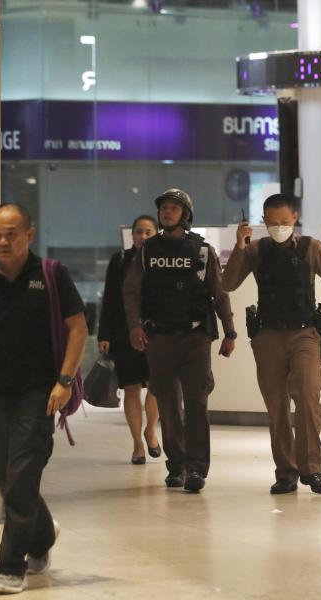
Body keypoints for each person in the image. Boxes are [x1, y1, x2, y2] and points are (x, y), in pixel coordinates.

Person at [0, 203, 87, 594]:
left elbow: (78, 329)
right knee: (0, 472)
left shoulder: (50, 275)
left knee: (22, 476)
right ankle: (42, 535)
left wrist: (64, 380)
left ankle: (10, 566)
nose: (3, 240)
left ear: (30, 234)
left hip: (38, 393)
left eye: (11, 233)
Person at [222, 193, 321, 495]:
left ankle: (312, 470)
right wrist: (240, 247)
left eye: (284, 222)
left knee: (308, 397)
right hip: (268, 335)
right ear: (263, 222)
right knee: (277, 406)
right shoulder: (255, 250)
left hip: (304, 333)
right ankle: (286, 473)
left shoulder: (311, 248)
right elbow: (227, 284)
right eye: (271, 223)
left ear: (294, 218)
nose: (278, 227)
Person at [123, 189, 236, 493]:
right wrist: (134, 326)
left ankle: (197, 468)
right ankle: (177, 466)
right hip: (159, 337)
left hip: (195, 337)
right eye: (164, 209)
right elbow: (131, 292)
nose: (167, 213)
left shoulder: (202, 251)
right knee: (169, 404)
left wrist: (230, 331)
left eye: (174, 208)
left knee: (197, 403)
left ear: (186, 214)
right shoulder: (146, 251)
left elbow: (220, 293)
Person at [98, 215, 162, 464]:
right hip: (124, 333)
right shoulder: (119, 260)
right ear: (131, 235)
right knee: (132, 388)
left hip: (156, 333)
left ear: (156, 233)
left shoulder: (160, 260)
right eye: (138, 232)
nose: (143, 237)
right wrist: (104, 334)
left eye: (148, 232)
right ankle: (137, 443)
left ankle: (151, 431)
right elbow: (110, 299)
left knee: (155, 386)